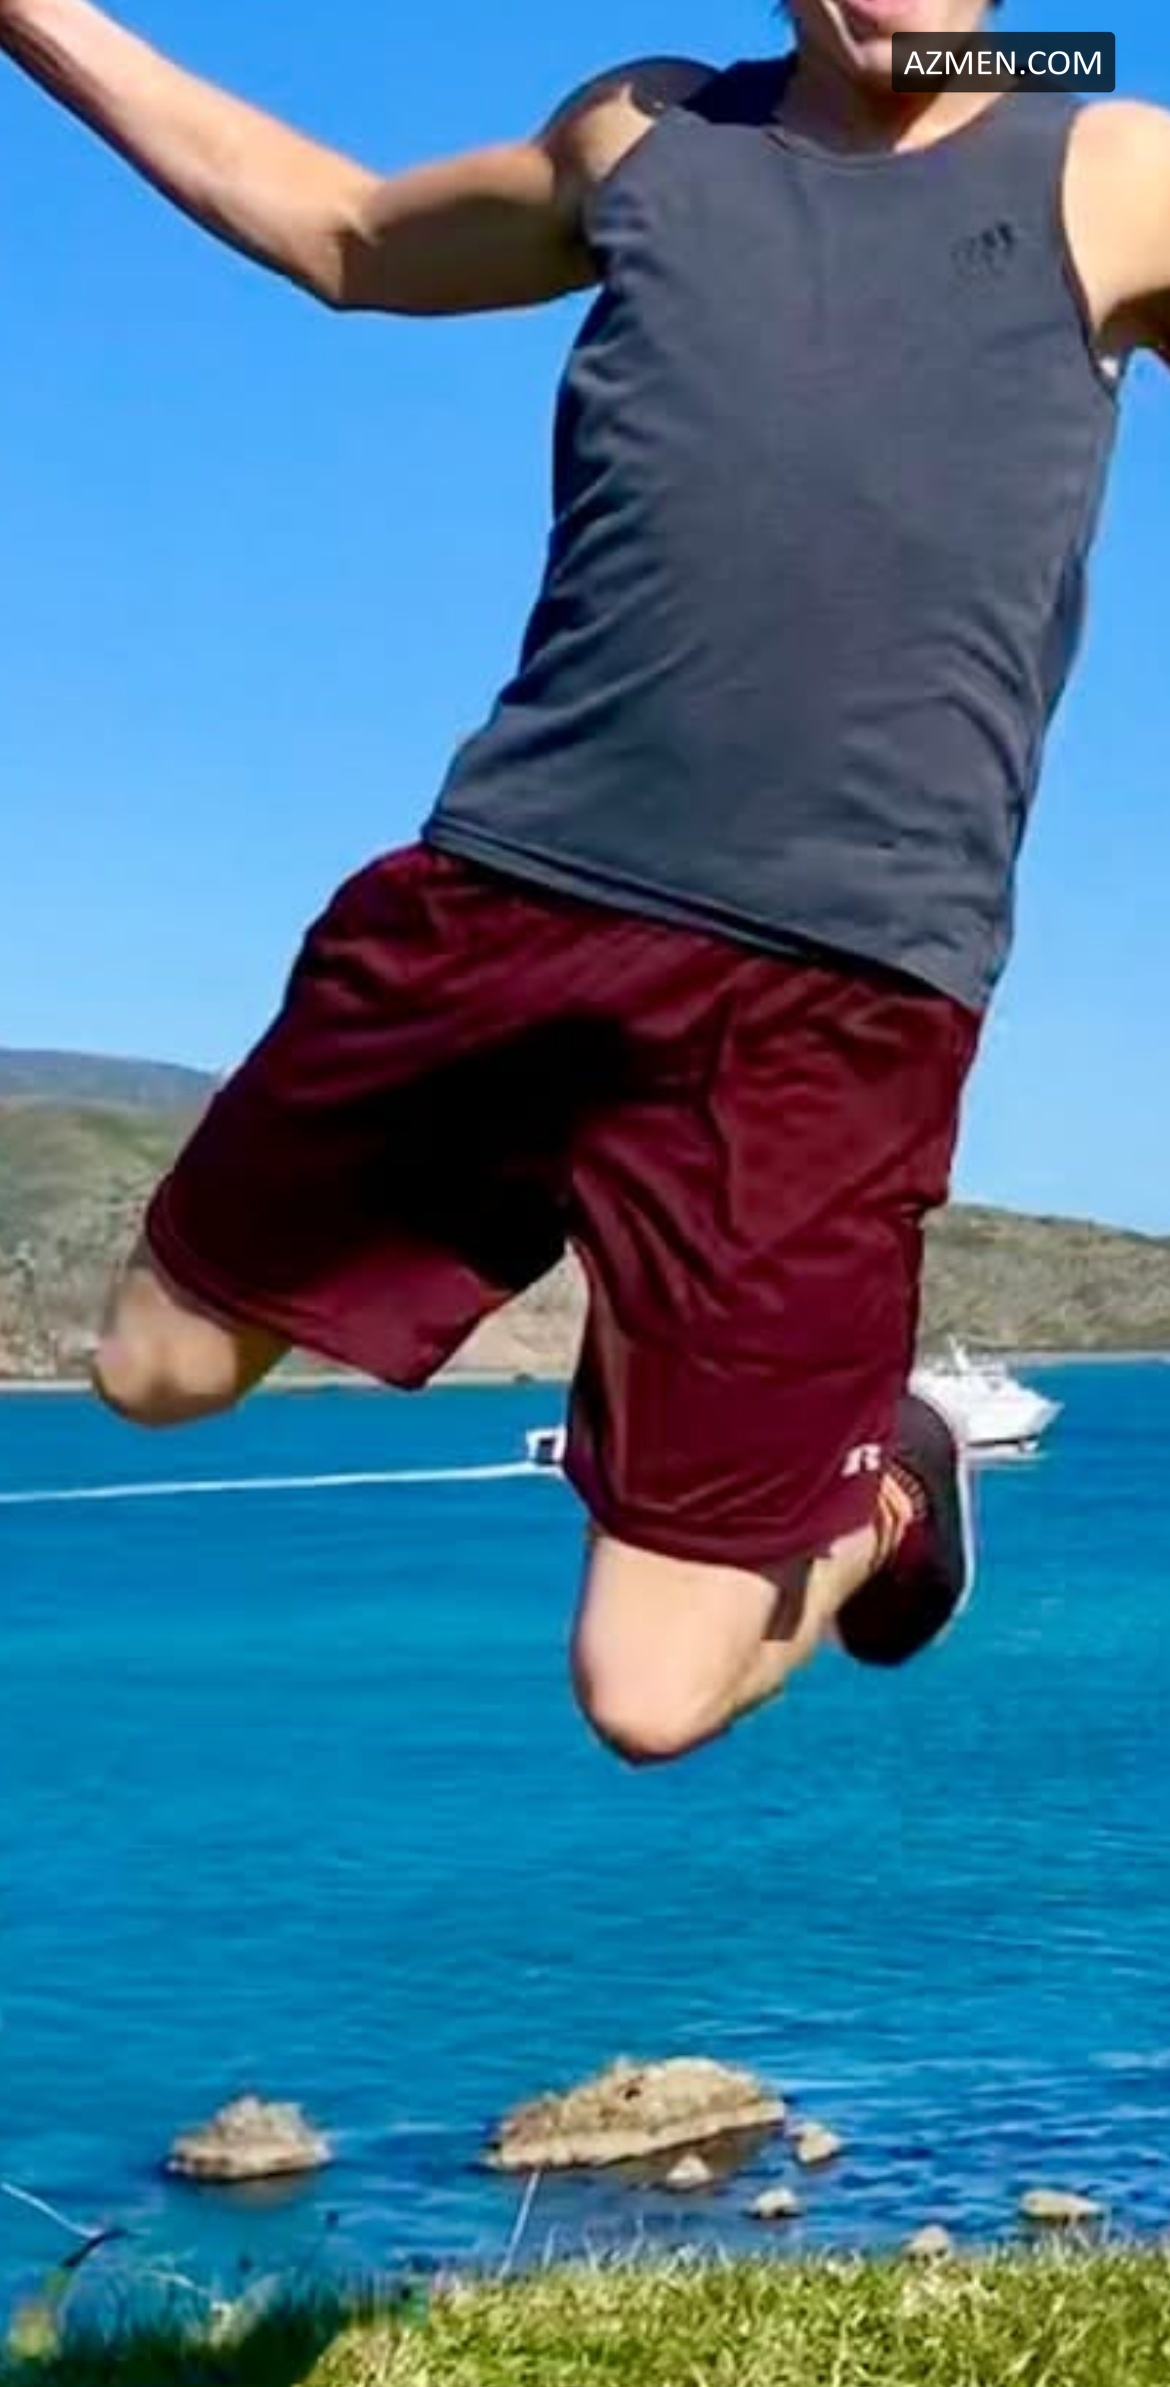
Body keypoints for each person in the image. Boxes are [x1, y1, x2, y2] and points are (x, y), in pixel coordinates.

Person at [3, 0, 1168, 1768]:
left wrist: (1035, 65)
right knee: (151, 1375)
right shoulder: (647, 130)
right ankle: (616, 1267)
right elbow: (344, 233)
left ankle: (893, 1479)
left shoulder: (1112, 164)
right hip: (513, 901)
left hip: (832, 994)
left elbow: (1011, 69)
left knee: (648, 1697)